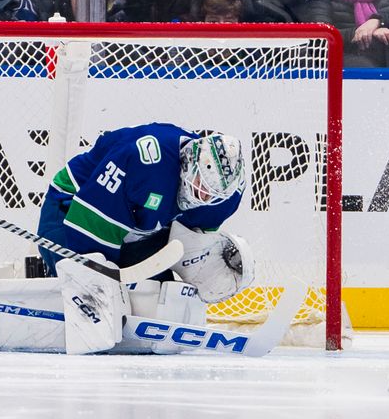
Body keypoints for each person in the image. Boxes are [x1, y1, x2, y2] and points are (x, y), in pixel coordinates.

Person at [36, 123, 247, 299]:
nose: (204, 197)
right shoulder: (144, 162)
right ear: (189, 161)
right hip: (71, 208)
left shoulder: (225, 200)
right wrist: (96, 284)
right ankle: (53, 279)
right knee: (85, 288)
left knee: (157, 298)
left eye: (212, 194)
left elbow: (185, 245)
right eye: (200, 183)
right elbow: (89, 228)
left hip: (137, 231)